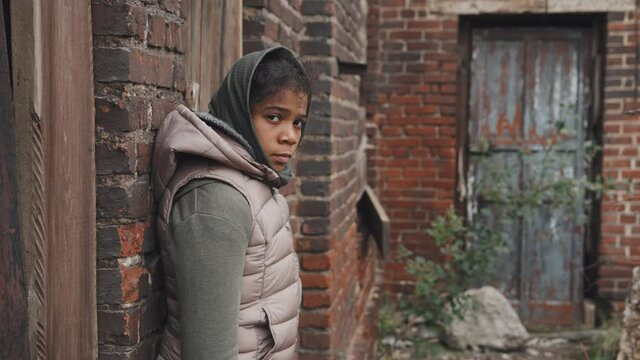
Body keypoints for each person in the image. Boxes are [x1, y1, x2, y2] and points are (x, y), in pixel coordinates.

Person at [152, 46, 311, 360]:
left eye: (297, 123)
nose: (289, 136)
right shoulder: (215, 200)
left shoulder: (253, 176)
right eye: (274, 117)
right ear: (240, 110)